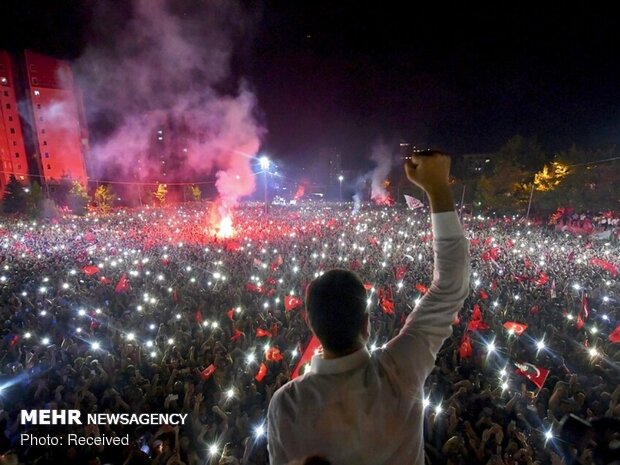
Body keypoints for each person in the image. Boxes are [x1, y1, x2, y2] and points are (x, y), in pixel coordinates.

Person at [267, 151, 470, 465]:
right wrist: (438, 188)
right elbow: (451, 286)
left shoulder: (287, 405)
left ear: (311, 324)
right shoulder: (399, 370)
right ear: (366, 321)